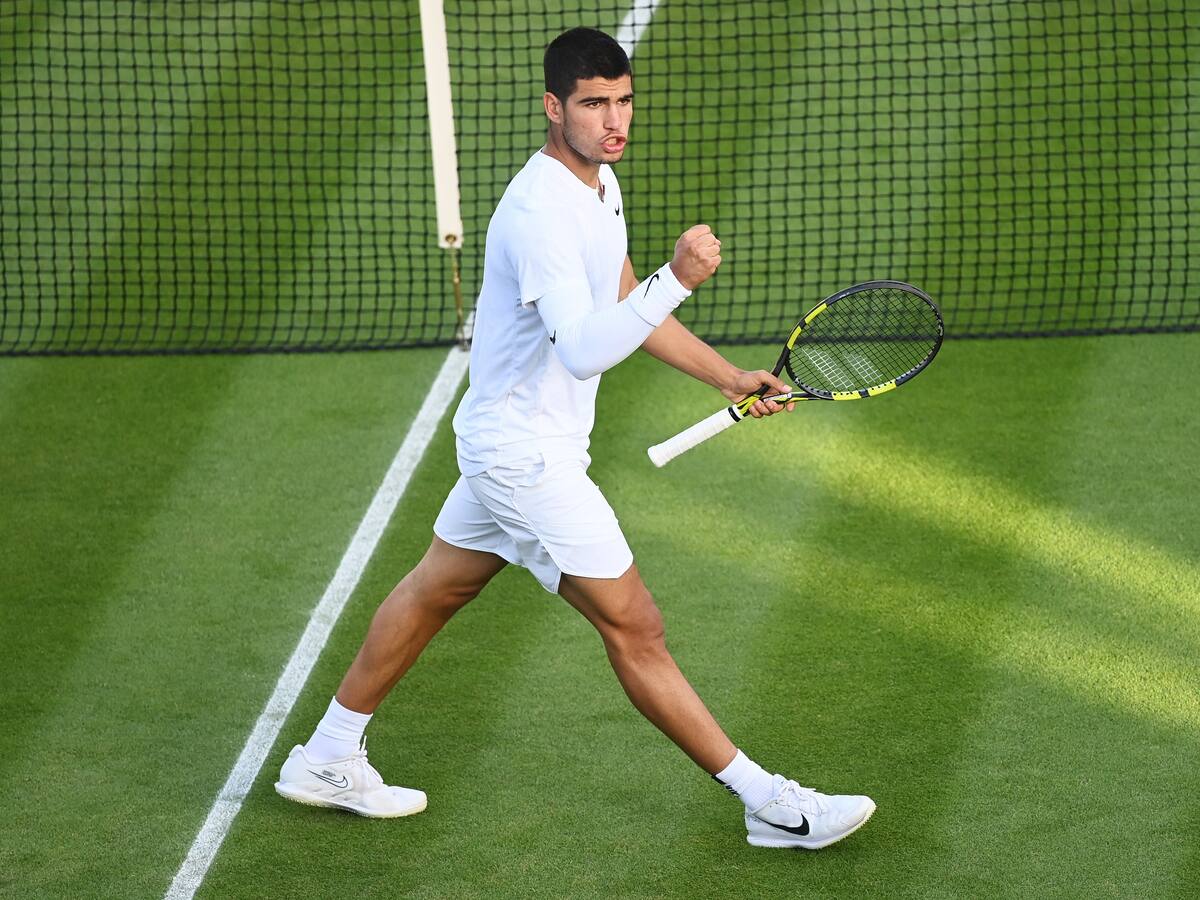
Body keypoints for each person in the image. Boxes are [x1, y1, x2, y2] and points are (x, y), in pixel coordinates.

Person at [275, 26, 874, 850]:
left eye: (624, 101)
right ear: (553, 107)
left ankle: (328, 755)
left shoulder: (600, 186)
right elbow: (588, 344)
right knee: (637, 627)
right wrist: (680, 277)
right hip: (524, 458)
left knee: (435, 588)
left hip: (512, 444)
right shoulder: (539, 213)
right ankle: (773, 805)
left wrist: (727, 376)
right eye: (595, 104)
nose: (614, 119)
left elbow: (621, 296)